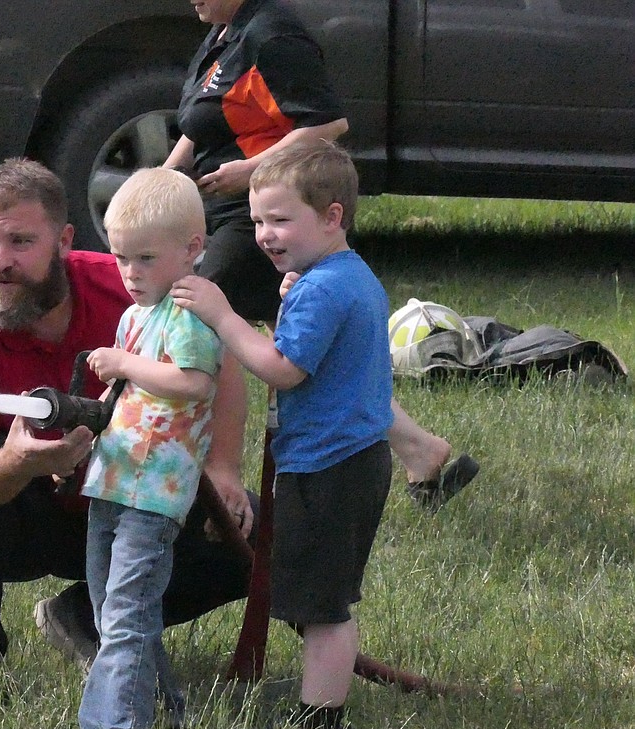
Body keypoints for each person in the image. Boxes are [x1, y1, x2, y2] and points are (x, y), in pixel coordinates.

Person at [0, 158, 257, 700]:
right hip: (31, 518)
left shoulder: (128, 284)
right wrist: (22, 460)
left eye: (21, 242)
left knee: (251, 538)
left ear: (63, 240)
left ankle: (87, 617)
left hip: (140, 501)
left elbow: (223, 359)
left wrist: (224, 469)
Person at [164, 0, 477, 509]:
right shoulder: (224, 33)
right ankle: (421, 449)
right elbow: (196, 127)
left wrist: (250, 173)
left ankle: (208, 477)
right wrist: (161, 182)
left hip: (263, 213)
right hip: (234, 210)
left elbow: (328, 125)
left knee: (203, 316)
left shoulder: (273, 35)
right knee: (311, 344)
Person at [173, 140, 392, 729]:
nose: (265, 234)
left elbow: (283, 368)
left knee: (323, 607)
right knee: (318, 595)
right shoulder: (343, 275)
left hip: (330, 466)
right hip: (348, 460)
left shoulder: (324, 288)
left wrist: (223, 316)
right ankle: (316, 708)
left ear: (331, 217)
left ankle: (322, 727)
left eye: (280, 219)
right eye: (258, 220)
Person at [75, 169, 221, 729]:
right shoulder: (134, 317)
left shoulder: (188, 312)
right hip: (112, 476)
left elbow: (193, 382)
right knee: (112, 608)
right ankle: (164, 708)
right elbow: (126, 400)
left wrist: (125, 367)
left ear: (191, 250)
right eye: (120, 259)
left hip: (154, 494)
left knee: (127, 610)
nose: (129, 273)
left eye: (144, 259)